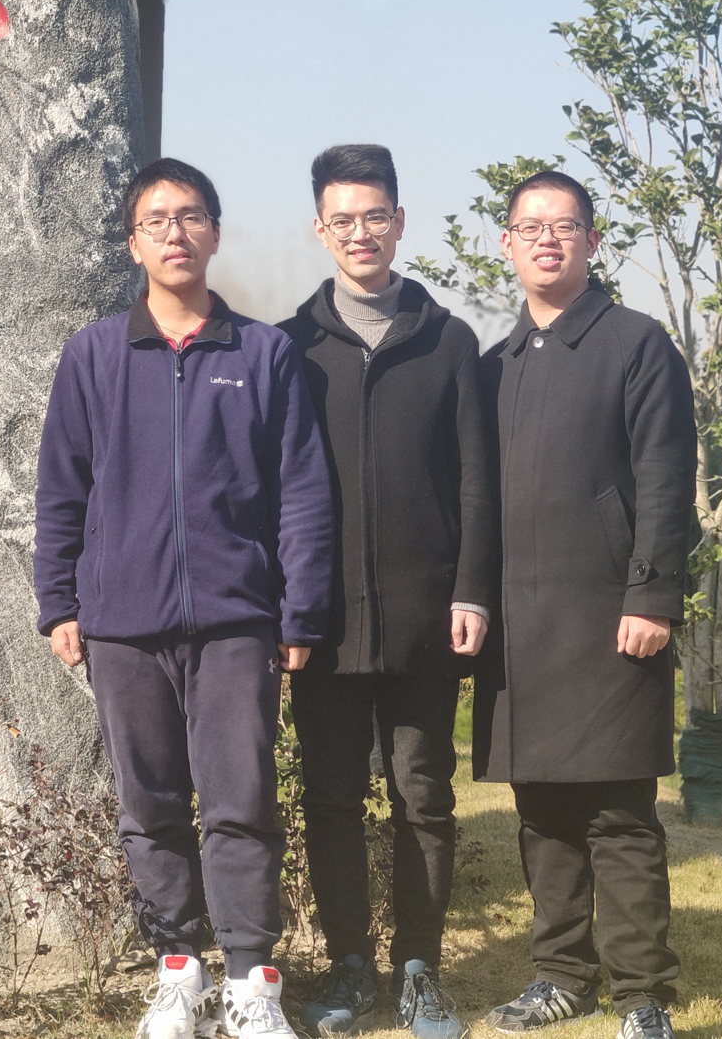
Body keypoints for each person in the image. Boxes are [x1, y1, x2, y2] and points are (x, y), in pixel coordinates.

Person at [35, 157, 336, 1039]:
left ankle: (249, 980)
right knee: (149, 804)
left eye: (191, 215)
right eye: (156, 219)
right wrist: (59, 602)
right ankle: (178, 972)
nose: (175, 232)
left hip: (237, 621)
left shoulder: (262, 353)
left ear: (214, 232)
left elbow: (302, 491)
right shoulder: (94, 354)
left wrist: (299, 610)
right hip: (122, 622)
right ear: (132, 243)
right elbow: (61, 489)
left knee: (241, 798)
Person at [278, 144, 496, 1039]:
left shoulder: (449, 341)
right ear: (319, 229)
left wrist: (471, 589)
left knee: (423, 794)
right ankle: (347, 967)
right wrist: (282, 605)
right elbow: (267, 488)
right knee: (330, 795)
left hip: (423, 616)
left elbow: (477, 480)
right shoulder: (289, 347)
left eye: (375, 215)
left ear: (400, 222)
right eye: (343, 218)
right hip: (321, 621)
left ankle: (419, 970)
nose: (360, 231)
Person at [475, 171, 695, 1039]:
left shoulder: (636, 343)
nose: (546, 239)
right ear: (506, 242)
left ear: (592, 242)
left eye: (563, 226)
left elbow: (665, 478)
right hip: (520, 626)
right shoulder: (494, 365)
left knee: (617, 812)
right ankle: (561, 975)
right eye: (529, 226)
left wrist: (651, 594)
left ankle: (642, 995)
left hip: (613, 615)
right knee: (542, 811)